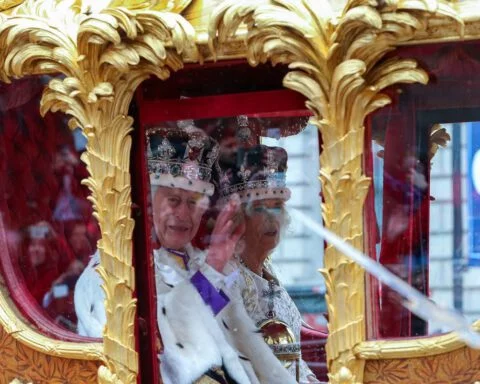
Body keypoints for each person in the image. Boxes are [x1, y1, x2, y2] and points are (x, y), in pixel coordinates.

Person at [75, 125, 294, 384]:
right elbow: (168, 352)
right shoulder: (111, 273)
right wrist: (211, 269)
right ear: (149, 201)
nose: (183, 215)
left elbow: (247, 347)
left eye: (193, 203)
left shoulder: (202, 265)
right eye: (173, 200)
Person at [217, 144, 322, 383]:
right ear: (237, 218)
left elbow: (292, 358)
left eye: (277, 207)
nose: (272, 218)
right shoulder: (228, 277)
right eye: (260, 208)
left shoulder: (267, 272)